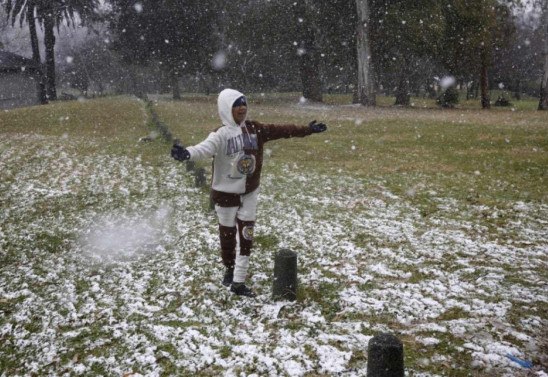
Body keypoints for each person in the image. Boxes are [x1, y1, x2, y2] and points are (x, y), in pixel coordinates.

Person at [171, 88, 327, 297]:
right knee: (227, 236)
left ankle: (239, 282)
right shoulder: (221, 134)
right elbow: (204, 148)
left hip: (249, 192)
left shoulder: (256, 129)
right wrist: (186, 153)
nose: (242, 108)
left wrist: (307, 129)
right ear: (226, 109)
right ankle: (229, 268)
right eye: (236, 104)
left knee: (246, 235)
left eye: (244, 103)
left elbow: (282, 130)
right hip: (225, 195)